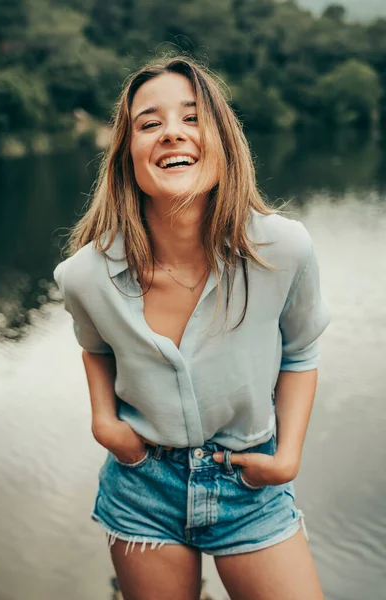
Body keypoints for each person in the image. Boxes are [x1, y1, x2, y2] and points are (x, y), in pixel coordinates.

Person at [53, 55, 331, 600]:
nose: (171, 133)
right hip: (141, 488)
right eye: (149, 123)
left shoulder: (285, 249)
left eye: (192, 116)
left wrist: (287, 458)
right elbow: (95, 348)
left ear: (222, 140)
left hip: (250, 485)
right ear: (127, 156)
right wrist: (106, 425)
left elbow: (300, 353)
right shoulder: (84, 275)